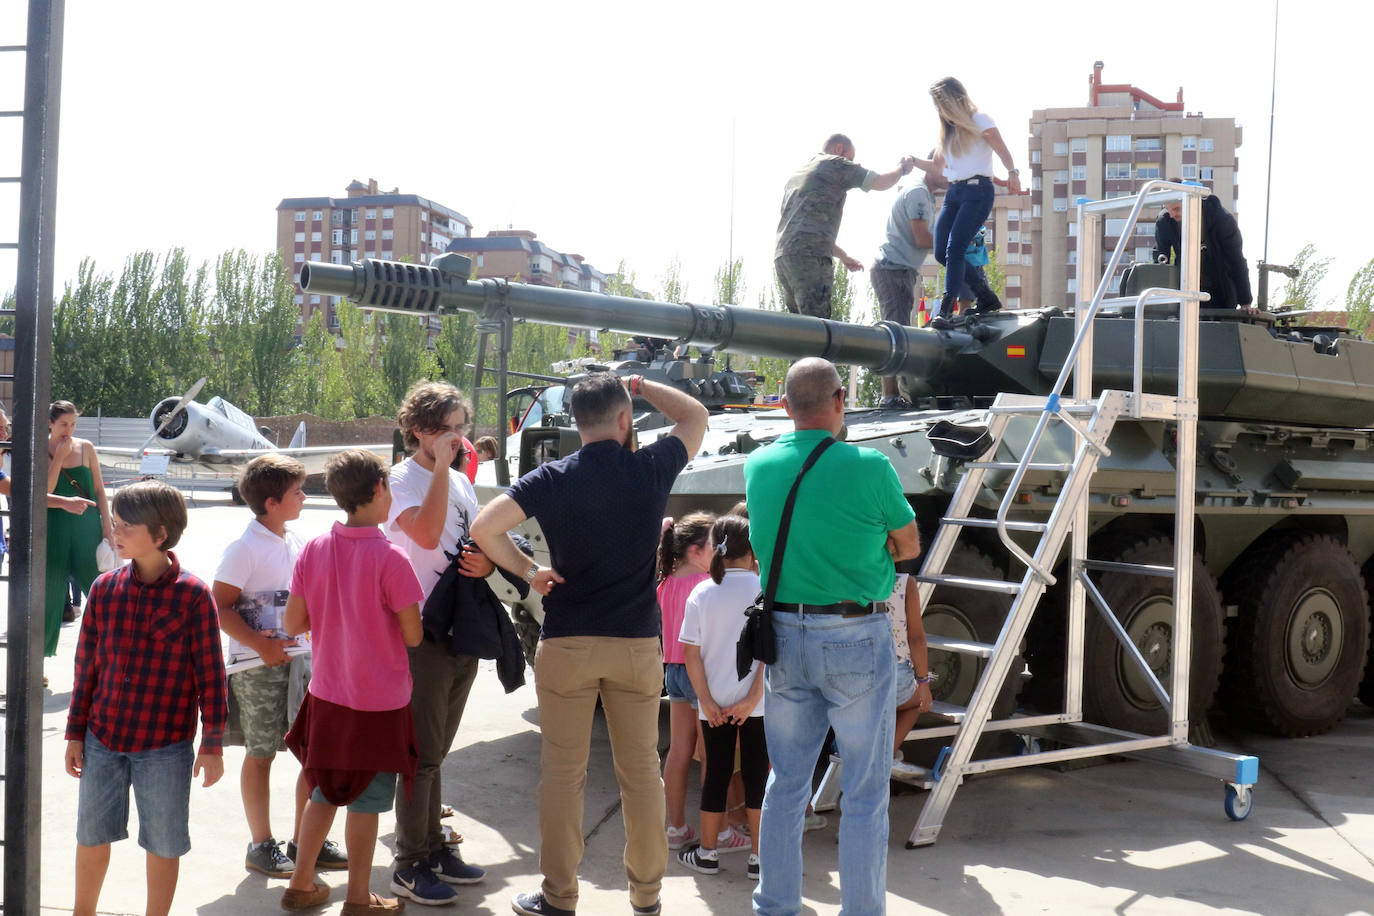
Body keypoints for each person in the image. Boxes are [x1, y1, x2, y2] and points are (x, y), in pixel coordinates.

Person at [471, 371, 708, 916]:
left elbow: (485, 528)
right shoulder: (651, 468)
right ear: (625, 419)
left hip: (568, 643)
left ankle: (559, 897)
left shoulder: (552, 478)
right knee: (642, 773)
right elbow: (696, 417)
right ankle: (646, 898)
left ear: (577, 425)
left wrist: (531, 570)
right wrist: (644, 385)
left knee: (562, 774)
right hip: (634, 646)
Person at [744, 357, 920, 916]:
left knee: (787, 783)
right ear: (840, 399)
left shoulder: (759, 465)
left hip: (783, 639)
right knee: (865, 793)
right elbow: (909, 545)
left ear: (785, 403)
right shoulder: (870, 466)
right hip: (854, 636)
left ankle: (775, 905)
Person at [64, 480, 227, 916]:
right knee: (91, 836)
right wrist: (75, 733)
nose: (115, 533)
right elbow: (87, 669)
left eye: (126, 526)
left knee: (164, 842)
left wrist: (212, 746)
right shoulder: (104, 589)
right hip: (103, 741)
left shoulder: (194, 595)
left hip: (165, 748)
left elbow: (211, 676)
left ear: (160, 534)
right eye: (114, 523)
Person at [280, 449, 424, 913]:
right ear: (380, 489)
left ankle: (301, 884)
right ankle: (359, 898)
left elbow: (293, 622)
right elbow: (413, 634)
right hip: (379, 704)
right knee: (369, 799)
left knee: (322, 788)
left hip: (326, 695)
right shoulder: (392, 558)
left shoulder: (314, 549)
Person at [214, 454, 346, 878]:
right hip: (257, 667)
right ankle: (261, 844)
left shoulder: (295, 540)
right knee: (262, 753)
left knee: (313, 754)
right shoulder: (244, 548)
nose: (305, 497)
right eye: (297, 492)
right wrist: (257, 643)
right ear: (271, 502)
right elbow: (219, 606)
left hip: (303, 663)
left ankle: (305, 839)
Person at [385, 380, 489, 905]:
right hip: (418, 631)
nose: (458, 438)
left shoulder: (462, 482)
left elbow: (474, 540)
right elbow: (425, 536)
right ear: (419, 431)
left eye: (461, 429)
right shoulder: (400, 481)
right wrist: (445, 471)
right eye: (447, 429)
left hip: (460, 626)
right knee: (419, 754)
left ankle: (432, 845)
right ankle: (409, 862)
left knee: (436, 753)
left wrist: (489, 560)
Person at [677, 514, 768, 882]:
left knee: (714, 775)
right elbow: (771, 653)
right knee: (758, 777)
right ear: (753, 549)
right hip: (758, 706)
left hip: (712, 707)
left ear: (717, 549)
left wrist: (706, 702)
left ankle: (708, 853)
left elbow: (690, 654)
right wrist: (753, 697)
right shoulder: (766, 589)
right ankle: (759, 859)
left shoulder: (702, 592)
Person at [775, 134, 915, 319]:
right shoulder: (835, 163)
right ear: (839, 149)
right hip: (810, 258)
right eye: (851, 158)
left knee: (800, 329)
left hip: (784, 257)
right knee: (818, 329)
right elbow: (881, 182)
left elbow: (805, 231)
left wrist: (843, 256)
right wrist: (903, 168)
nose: (850, 163)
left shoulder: (799, 175)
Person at [922, 77, 1021, 330]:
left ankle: (946, 308)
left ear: (951, 101)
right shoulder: (948, 131)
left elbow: (1001, 148)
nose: (938, 110)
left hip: (978, 191)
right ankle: (985, 296)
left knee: (955, 248)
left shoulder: (979, 120)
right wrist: (912, 161)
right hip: (954, 193)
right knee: (940, 250)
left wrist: (1012, 173)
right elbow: (938, 167)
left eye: (940, 104)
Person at [656, 511, 715, 852]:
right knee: (710, 755)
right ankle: (717, 830)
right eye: (713, 545)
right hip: (699, 673)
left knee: (678, 750)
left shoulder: (666, 583)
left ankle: (676, 826)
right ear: (695, 550)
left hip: (673, 672)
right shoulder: (705, 586)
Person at [871, 158, 944, 408]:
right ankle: (891, 397)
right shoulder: (919, 194)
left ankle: (898, 394)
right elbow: (922, 238)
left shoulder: (925, 195)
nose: (953, 174)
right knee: (893, 334)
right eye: (948, 166)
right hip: (893, 269)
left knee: (899, 330)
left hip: (900, 269)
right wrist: (955, 243)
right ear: (932, 165)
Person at [46, 400, 113, 656]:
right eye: (63, 424)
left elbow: (99, 490)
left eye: (73, 424)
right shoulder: (41, 448)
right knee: (49, 595)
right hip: (54, 529)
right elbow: (46, 491)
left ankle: (108, 654)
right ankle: (40, 659)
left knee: (100, 591)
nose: (69, 429)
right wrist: (59, 458)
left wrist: (107, 528)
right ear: (50, 423)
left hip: (88, 528)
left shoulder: (86, 448)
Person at [1153, 184, 1253, 309]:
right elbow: (1160, 257)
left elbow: (1236, 259)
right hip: (1185, 288)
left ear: (1192, 203)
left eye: (1176, 209)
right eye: (1168, 209)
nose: (1172, 214)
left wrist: (1245, 301)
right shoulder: (1165, 220)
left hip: (1220, 288)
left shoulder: (1222, 220)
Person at [885, 560, 934, 779]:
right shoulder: (905, 584)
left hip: (853, 668)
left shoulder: (848, 578)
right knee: (918, 703)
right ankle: (887, 754)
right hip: (894, 673)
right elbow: (915, 638)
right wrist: (924, 683)